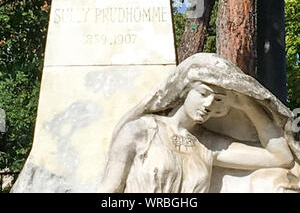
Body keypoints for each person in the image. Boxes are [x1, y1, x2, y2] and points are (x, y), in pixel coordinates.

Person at [99, 53, 300, 193]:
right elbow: (109, 192)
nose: (209, 104)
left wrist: (249, 106)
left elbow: (280, 157)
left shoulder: (207, 146)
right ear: (184, 90)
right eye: (203, 93)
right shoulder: (140, 131)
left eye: (219, 99)